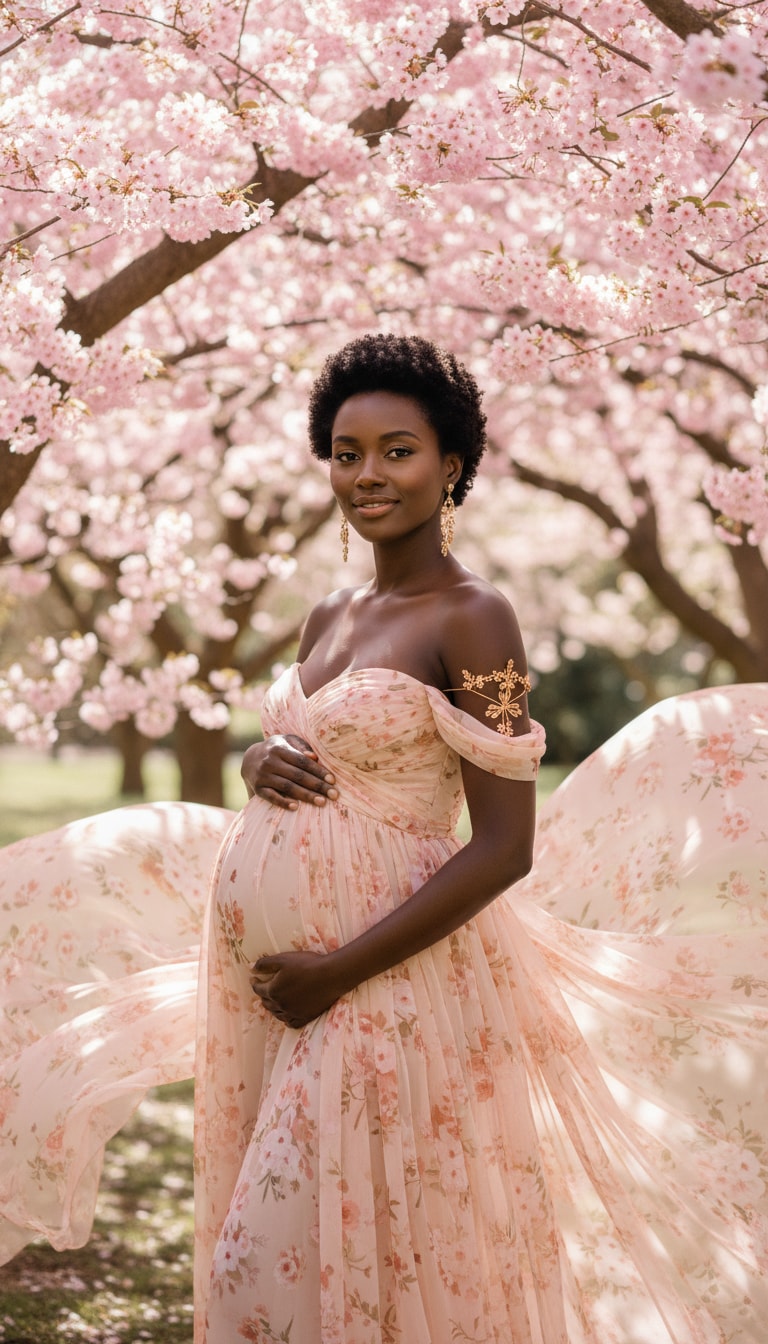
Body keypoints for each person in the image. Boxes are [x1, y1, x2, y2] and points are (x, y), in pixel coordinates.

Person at [0, 337, 766, 1344]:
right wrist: (256, 760)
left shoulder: (476, 618)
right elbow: (320, 744)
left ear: (453, 465)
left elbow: (504, 846)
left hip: (384, 985)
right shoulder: (329, 611)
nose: (367, 475)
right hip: (276, 994)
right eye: (346, 451)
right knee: (312, 1254)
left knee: (267, 1267)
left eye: (397, 450)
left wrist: (339, 972)